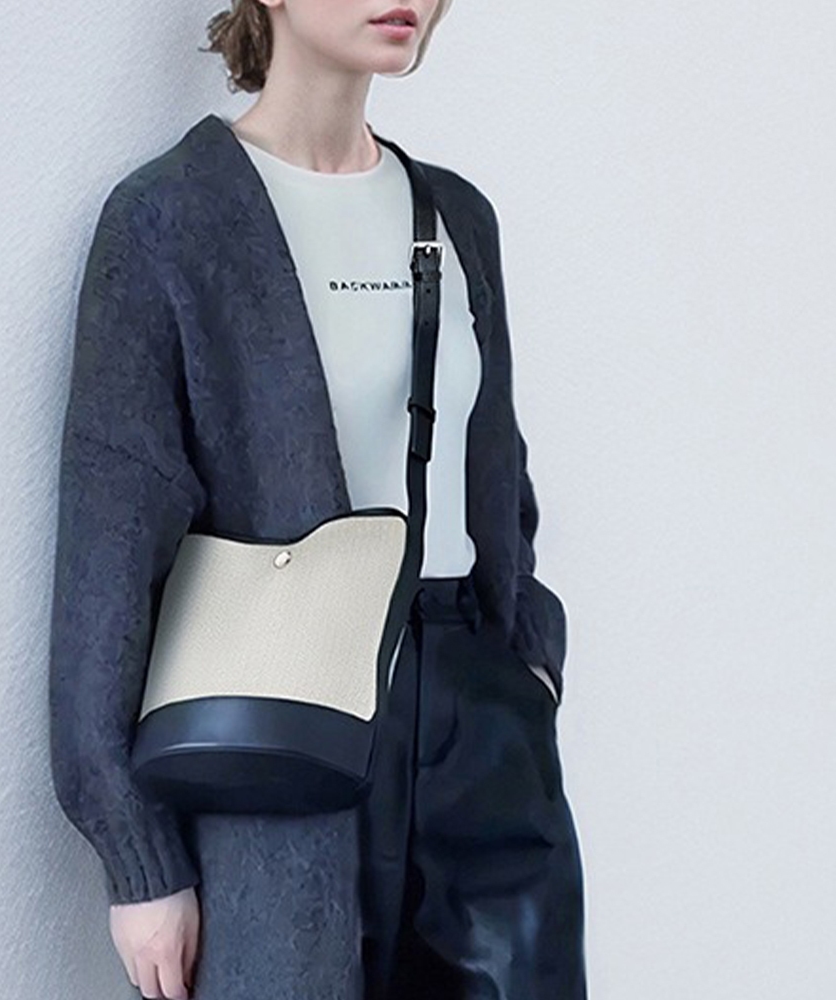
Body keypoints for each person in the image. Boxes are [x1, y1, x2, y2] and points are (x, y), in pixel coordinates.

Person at [47, 2, 587, 998]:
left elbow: (497, 475)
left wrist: (529, 666)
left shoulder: (458, 218)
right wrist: (138, 855)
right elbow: (109, 547)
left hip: (478, 724)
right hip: (282, 736)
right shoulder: (170, 219)